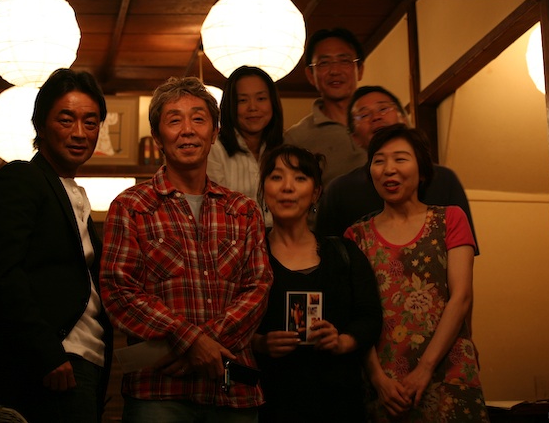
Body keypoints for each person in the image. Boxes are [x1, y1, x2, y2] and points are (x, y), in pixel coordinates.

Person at [99, 76, 273, 423]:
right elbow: (119, 291)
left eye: (198, 118)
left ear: (215, 132)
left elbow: (258, 288)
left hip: (232, 392)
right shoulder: (131, 206)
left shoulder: (243, 210)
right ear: (157, 137)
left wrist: (201, 344)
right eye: (174, 120)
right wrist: (192, 341)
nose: (188, 130)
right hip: (158, 394)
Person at [0, 69, 112, 422]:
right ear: (39, 123)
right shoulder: (22, 178)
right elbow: (2, 274)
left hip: (87, 360)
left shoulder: (72, 193)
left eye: (91, 122)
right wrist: (46, 354)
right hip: (53, 363)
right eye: (66, 119)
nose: (80, 132)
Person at [345, 125, 488, 422]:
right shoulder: (355, 236)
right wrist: (378, 380)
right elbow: (355, 315)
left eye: (400, 159)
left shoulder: (450, 219)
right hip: (384, 382)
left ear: (422, 170)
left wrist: (425, 368)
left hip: (447, 370)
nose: (389, 169)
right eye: (379, 160)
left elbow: (461, 297)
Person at [252, 144, 382, 423]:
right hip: (269, 403)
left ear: (316, 192)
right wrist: (260, 343)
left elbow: (370, 317)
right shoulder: (249, 254)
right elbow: (226, 321)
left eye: (300, 178)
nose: (287, 187)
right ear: (263, 190)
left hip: (339, 402)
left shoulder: (344, 253)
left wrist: (342, 341)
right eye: (276, 177)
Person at [316, 85, 477, 250]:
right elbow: (327, 255)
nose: (376, 117)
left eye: (383, 109)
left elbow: (463, 250)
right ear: (355, 138)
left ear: (404, 119)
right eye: (364, 115)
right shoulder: (339, 191)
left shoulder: (444, 179)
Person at [284, 28, 367, 187]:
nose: (335, 71)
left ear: (360, 69)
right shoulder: (296, 139)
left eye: (344, 61)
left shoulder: (382, 120)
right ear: (310, 75)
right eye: (324, 63)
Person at [207, 65, 284, 225]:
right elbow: (214, 209)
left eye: (261, 99)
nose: (253, 107)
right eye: (242, 100)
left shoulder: (284, 147)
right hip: (233, 236)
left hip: (280, 236)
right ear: (230, 106)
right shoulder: (214, 149)